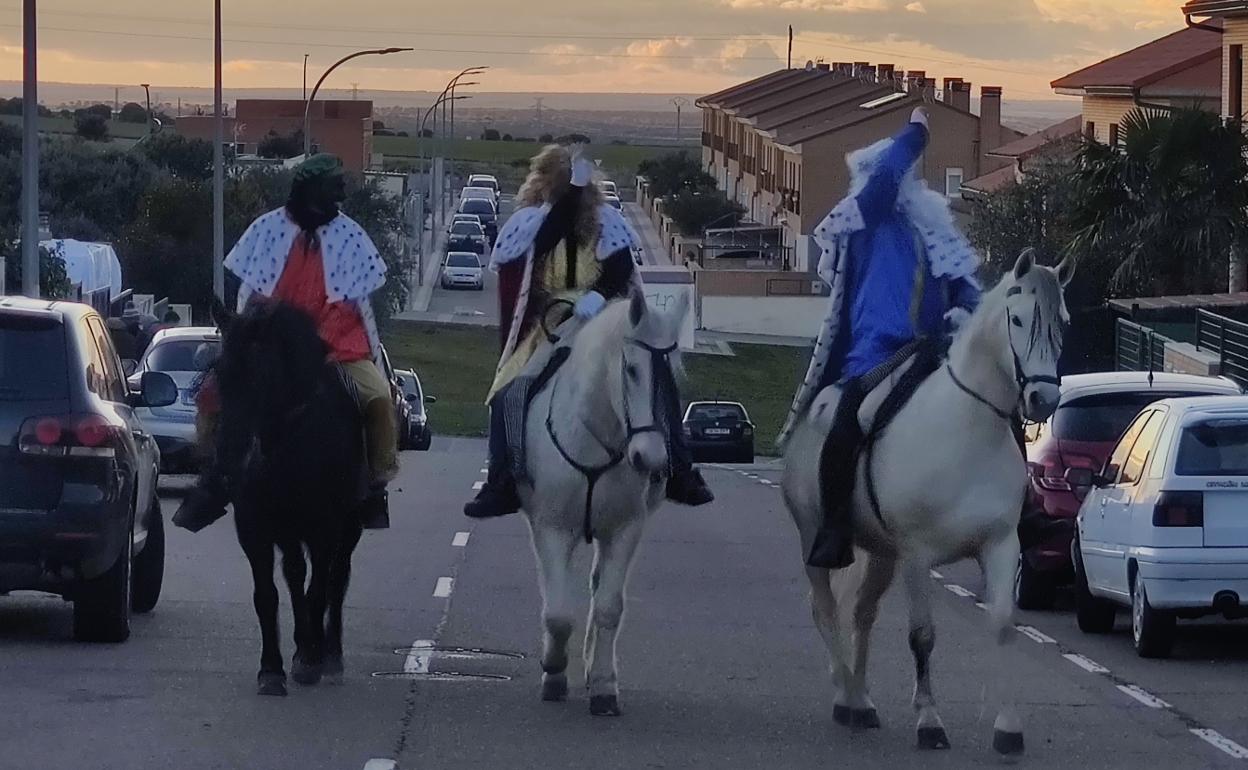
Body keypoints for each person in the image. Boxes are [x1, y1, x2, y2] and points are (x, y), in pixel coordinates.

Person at [778, 108, 982, 570]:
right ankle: (835, 527)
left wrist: (970, 314)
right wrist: (914, 135)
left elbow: (966, 286)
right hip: (876, 356)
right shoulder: (865, 222)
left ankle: (1010, 506)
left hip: (934, 352)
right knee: (848, 421)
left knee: (990, 405)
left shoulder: (932, 230)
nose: (906, 182)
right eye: (899, 174)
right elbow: (886, 179)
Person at [464, 144, 713, 519]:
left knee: (655, 375)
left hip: (602, 316)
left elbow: (620, 270)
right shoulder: (534, 223)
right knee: (508, 391)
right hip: (553, 323)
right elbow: (533, 261)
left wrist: (598, 295)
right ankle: (503, 480)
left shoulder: (606, 222)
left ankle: (679, 469)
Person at [173, 153, 398, 532]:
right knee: (213, 396)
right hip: (274, 346)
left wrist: (373, 358)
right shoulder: (267, 230)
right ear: (312, 189)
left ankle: (375, 484)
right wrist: (245, 339)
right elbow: (250, 294)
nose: (340, 192)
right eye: (333, 185)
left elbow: (362, 305)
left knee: (377, 399)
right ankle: (215, 477)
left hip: (337, 345)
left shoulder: (351, 236)